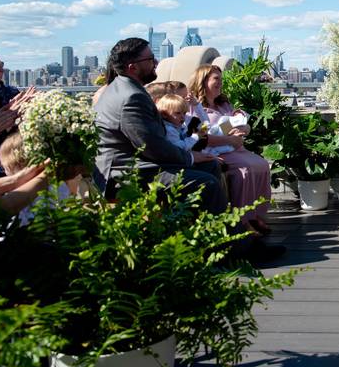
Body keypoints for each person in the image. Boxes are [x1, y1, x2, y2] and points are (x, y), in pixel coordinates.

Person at [92, 38, 227, 214]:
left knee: (210, 166)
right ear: (133, 68)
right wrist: (190, 157)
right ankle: (216, 236)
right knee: (207, 183)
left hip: (140, 164)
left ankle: (198, 229)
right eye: (150, 59)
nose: (156, 62)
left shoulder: (125, 88)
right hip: (124, 175)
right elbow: (152, 146)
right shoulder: (131, 97)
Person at [188, 64, 273, 235]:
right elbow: (199, 138)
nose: (220, 83)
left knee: (262, 165)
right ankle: (241, 220)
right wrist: (229, 139)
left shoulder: (224, 104)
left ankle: (255, 215)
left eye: (221, 79)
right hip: (218, 151)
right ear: (203, 81)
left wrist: (244, 130)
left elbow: (240, 122)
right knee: (245, 170)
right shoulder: (194, 108)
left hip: (236, 148)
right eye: (216, 79)